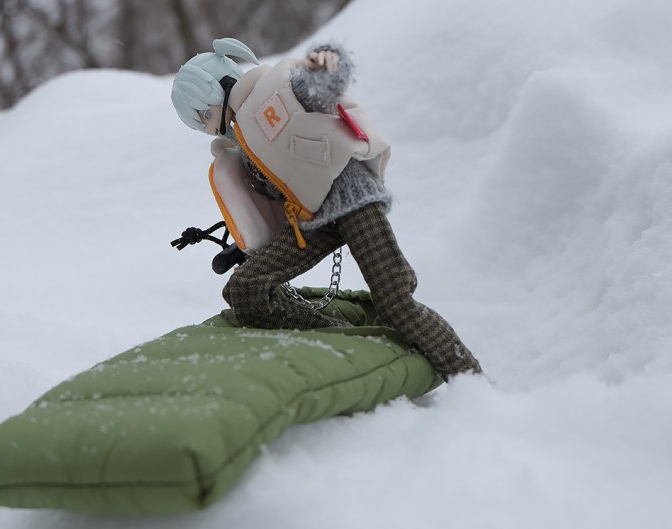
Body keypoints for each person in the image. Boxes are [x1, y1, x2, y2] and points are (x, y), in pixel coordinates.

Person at [171, 38, 482, 379]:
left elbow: (318, 88)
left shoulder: (277, 93)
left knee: (396, 303)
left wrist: (324, 64)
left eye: (203, 118)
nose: (207, 129)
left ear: (213, 94)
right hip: (311, 219)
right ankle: (350, 347)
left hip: (351, 202)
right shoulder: (244, 138)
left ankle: (470, 380)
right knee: (245, 289)